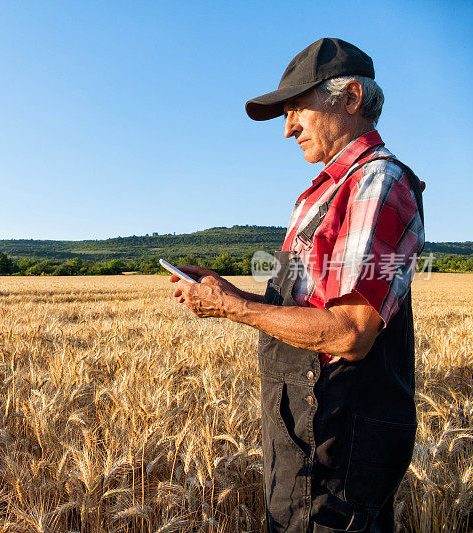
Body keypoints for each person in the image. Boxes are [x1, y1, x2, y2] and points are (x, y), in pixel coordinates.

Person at [169, 38, 425, 532]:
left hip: (337, 443)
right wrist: (233, 295)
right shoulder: (324, 191)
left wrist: (233, 309)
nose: (287, 129)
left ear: (350, 99)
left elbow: (349, 332)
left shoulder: (376, 182)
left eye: (296, 110)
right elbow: (307, 306)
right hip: (301, 430)